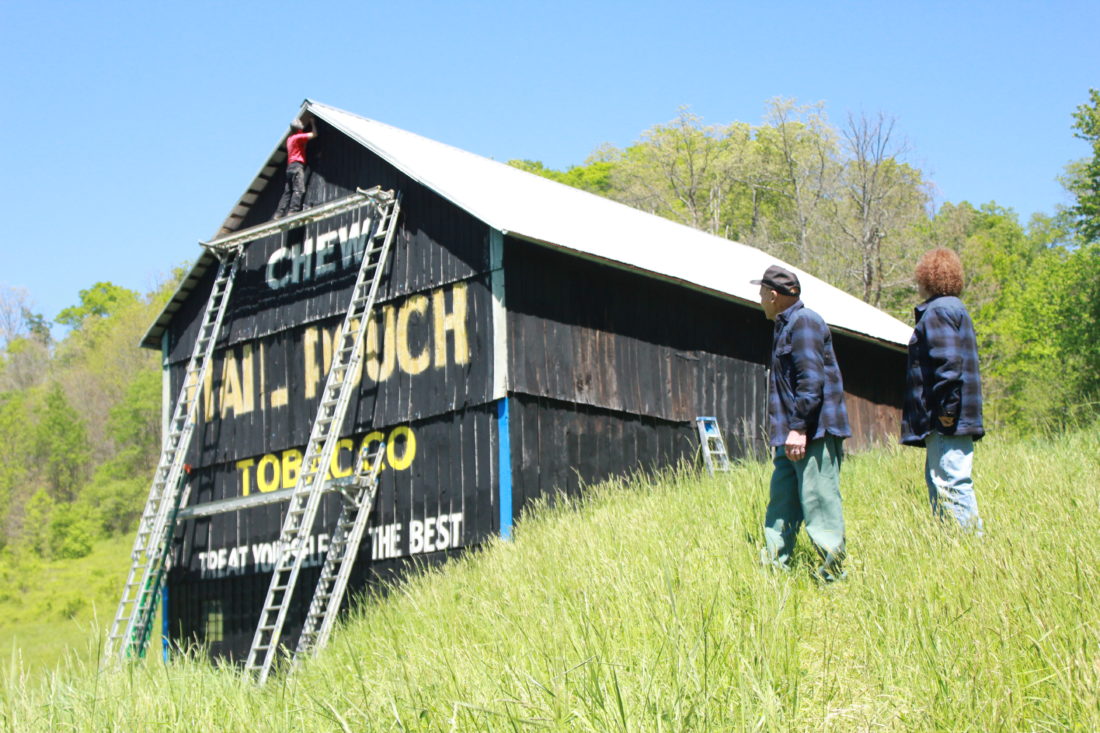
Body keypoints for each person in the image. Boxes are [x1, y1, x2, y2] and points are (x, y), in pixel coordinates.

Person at [753, 265, 851, 582]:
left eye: (761, 294)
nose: (759, 300)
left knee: (819, 505)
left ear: (773, 295)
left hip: (812, 433)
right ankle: (773, 571)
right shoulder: (784, 327)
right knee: (782, 505)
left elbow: (811, 381)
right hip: (790, 435)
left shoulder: (804, 321)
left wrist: (799, 428)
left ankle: (833, 577)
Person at [901, 248, 984, 533]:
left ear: (927, 278)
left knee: (950, 482)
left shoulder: (937, 312)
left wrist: (946, 413)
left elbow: (948, 365)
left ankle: (970, 547)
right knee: (943, 481)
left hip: (948, 415)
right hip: (956, 412)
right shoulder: (955, 308)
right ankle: (952, 545)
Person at [274, 118, 316, 219]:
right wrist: (313, 123)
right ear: (298, 129)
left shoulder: (289, 139)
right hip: (297, 165)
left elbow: (301, 147)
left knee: (288, 191)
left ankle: (279, 213)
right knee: (299, 189)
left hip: (289, 167)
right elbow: (314, 134)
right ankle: (293, 211)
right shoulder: (298, 137)